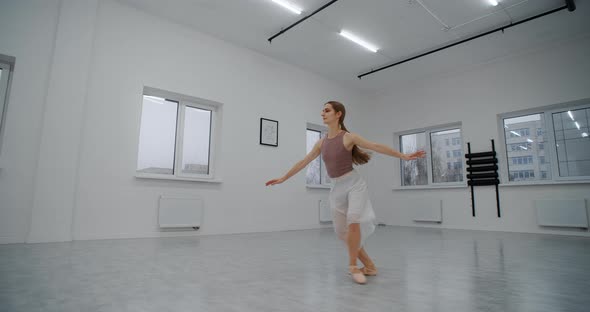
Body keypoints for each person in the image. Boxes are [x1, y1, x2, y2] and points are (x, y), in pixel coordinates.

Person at [265, 101, 425, 284]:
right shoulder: (321, 143)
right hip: (336, 188)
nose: (322, 113)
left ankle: (353, 266)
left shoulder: (348, 137)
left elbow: (375, 146)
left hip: (354, 184)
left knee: (354, 221)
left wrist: (403, 156)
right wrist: (283, 178)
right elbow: (304, 161)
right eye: (322, 111)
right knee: (343, 232)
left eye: (327, 110)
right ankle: (369, 266)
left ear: (338, 114)